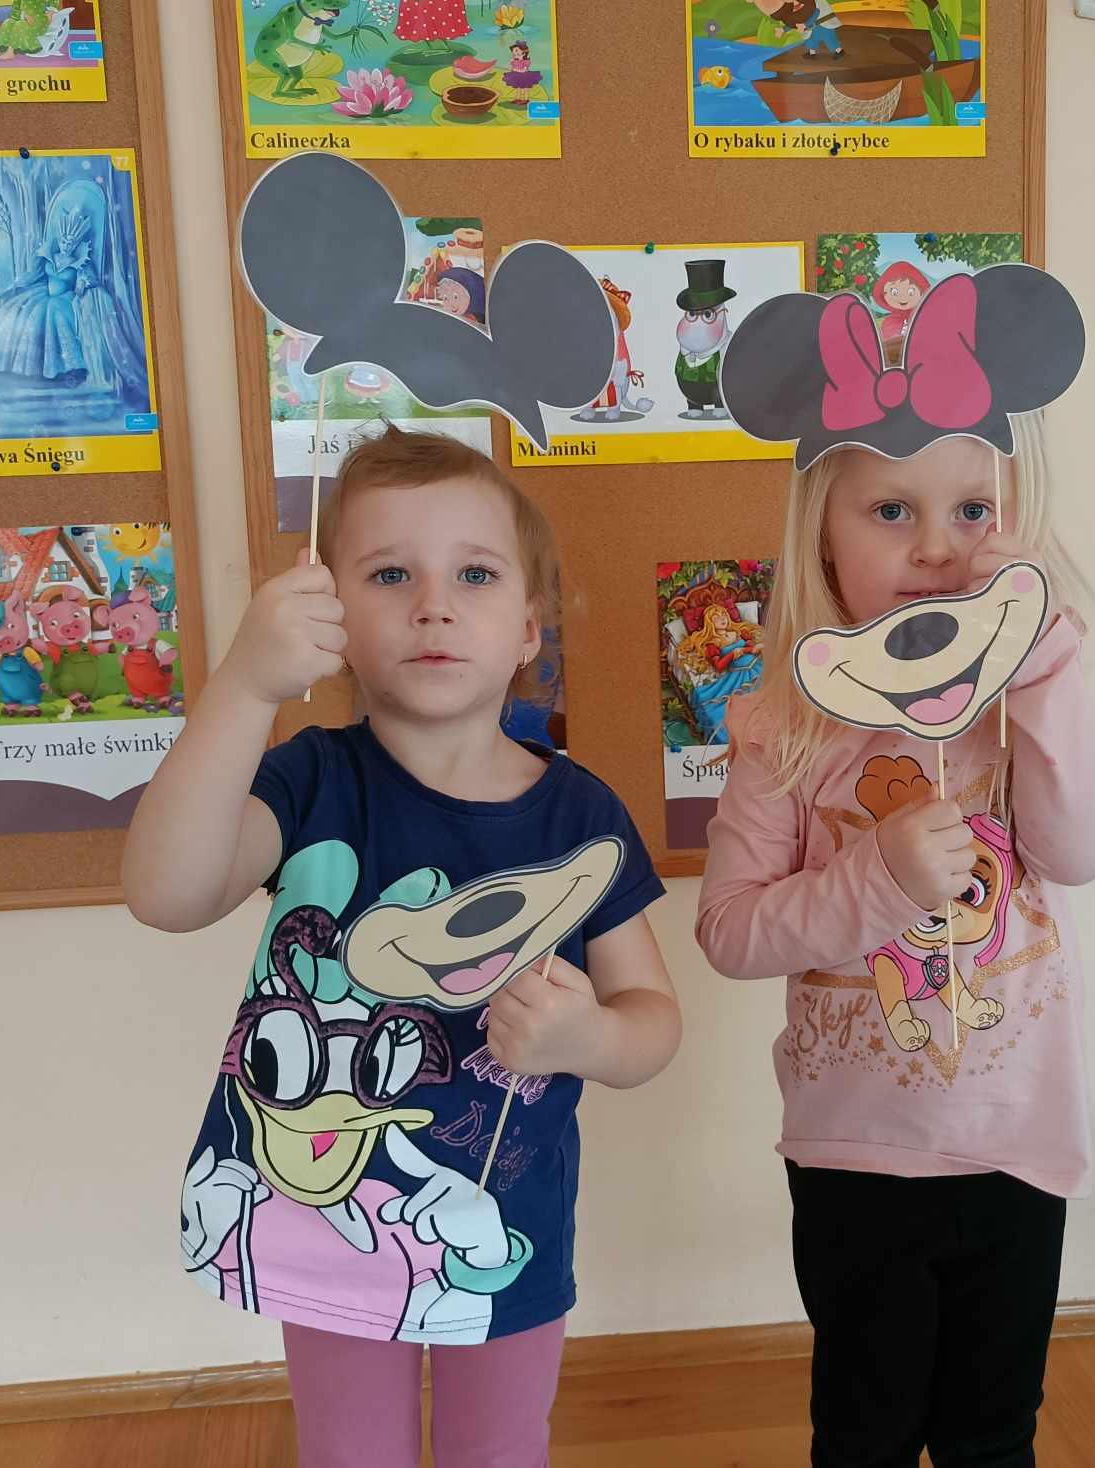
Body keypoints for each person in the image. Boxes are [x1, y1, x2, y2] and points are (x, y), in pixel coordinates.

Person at [125, 428, 680, 1468]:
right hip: (322, 1211)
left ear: (529, 625)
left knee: (498, 1454)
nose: (433, 605)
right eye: (389, 574)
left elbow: (652, 1020)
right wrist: (243, 686)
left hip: (501, 1223)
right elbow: (166, 893)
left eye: (474, 574)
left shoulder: (580, 816)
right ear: (330, 611)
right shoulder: (310, 780)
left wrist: (589, 1040)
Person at [697, 415, 1095, 1467]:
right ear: (822, 534)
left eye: (972, 511)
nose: (936, 547)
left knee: (992, 1436)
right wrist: (877, 881)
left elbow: (1081, 851)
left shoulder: (1021, 705)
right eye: (891, 511)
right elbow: (730, 930)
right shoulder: (781, 728)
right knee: (863, 1435)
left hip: (1015, 1144)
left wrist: (1043, 676)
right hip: (855, 1152)